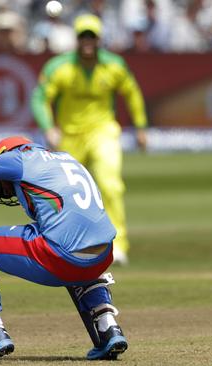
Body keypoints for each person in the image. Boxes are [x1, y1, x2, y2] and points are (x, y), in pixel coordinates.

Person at [0, 136, 128, 361]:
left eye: (3, 184)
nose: (6, 190)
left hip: (60, 257)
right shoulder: (66, 157)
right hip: (103, 256)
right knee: (79, 242)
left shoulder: (17, 159)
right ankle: (108, 328)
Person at [31, 14, 148, 265]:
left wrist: (140, 127)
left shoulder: (114, 65)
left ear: (99, 39)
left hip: (103, 132)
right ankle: (65, 244)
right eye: (83, 36)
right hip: (69, 137)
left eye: (91, 36)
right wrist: (48, 128)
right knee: (64, 193)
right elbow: (40, 98)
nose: (87, 41)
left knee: (110, 184)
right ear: (76, 38)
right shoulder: (59, 67)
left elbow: (133, 93)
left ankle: (118, 245)